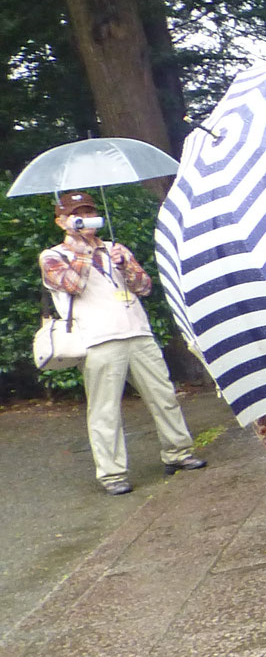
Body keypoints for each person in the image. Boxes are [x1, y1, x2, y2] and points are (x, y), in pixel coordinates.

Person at [39, 190, 206, 494]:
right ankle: (113, 475)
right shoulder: (53, 256)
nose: (86, 219)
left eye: (89, 213)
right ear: (61, 222)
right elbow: (72, 285)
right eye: (77, 215)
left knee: (164, 396)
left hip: (138, 331)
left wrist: (125, 265)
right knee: (105, 410)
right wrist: (83, 251)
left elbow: (145, 287)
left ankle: (178, 453)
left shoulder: (116, 248)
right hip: (97, 340)